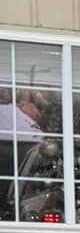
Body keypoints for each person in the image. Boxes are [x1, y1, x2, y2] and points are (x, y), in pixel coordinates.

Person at [0, 88, 47, 219]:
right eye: (37, 110)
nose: (39, 115)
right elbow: (38, 138)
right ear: (23, 105)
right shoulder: (15, 116)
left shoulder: (9, 113)